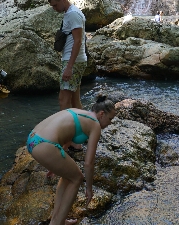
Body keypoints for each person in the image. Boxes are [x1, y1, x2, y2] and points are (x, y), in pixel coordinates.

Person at [26, 94, 116, 225]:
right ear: (102, 114)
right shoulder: (95, 125)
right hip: (45, 145)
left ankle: (59, 219)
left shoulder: (79, 113)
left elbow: (66, 137)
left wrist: (55, 165)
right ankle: (56, 223)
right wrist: (89, 188)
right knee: (77, 178)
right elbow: (89, 163)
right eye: (110, 119)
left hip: (33, 139)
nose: (110, 123)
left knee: (68, 176)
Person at [47, 0, 88, 112]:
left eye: (55, 5)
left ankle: (65, 130)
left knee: (63, 100)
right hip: (75, 60)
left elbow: (78, 41)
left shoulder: (73, 14)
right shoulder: (71, 12)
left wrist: (69, 67)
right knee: (75, 100)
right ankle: (83, 127)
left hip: (73, 62)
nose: (54, 8)